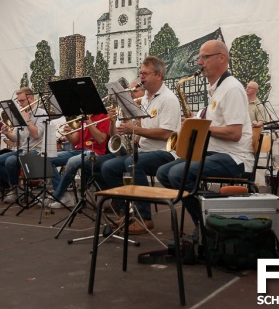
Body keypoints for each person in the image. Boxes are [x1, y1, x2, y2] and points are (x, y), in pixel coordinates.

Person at [156, 40, 254, 240]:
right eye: (199, 57)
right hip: (214, 153)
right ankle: (209, 217)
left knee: (178, 174)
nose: (200, 62)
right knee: (163, 173)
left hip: (235, 157)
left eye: (205, 57)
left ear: (222, 58)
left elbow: (234, 133)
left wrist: (200, 127)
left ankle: (206, 226)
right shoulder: (217, 89)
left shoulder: (232, 89)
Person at [101, 56, 181, 234]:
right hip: (145, 151)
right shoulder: (145, 98)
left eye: (145, 73)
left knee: (132, 163)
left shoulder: (168, 99)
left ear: (159, 75)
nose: (141, 77)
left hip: (166, 152)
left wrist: (134, 129)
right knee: (108, 167)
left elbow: (166, 134)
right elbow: (145, 127)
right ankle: (127, 213)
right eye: (140, 73)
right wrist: (131, 129)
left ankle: (144, 218)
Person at [0, 87, 46, 203]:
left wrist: (27, 120)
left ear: (31, 99)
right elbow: (16, 139)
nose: (20, 104)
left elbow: (36, 135)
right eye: (18, 101)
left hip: (37, 150)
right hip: (23, 150)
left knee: (10, 161)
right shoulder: (21, 114)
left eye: (22, 101)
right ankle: (15, 186)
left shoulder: (41, 113)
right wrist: (7, 134)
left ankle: (15, 189)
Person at [46, 113, 110, 209]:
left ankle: (57, 195)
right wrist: (68, 133)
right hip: (79, 150)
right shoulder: (82, 118)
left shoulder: (103, 116)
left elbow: (101, 140)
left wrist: (88, 121)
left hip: (94, 152)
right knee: (47, 158)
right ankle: (65, 196)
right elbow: (75, 141)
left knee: (72, 161)